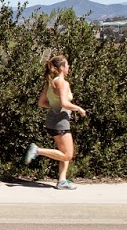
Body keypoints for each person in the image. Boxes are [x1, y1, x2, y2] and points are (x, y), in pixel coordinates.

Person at [23, 54, 87, 189]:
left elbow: (42, 103)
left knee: (64, 152)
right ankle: (37, 150)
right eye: (67, 64)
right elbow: (64, 103)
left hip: (53, 121)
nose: (69, 67)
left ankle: (62, 181)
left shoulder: (50, 82)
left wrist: (55, 106)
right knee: (67, 155)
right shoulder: (63, 83)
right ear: (62, 67)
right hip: (60, 122)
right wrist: (78, 108)